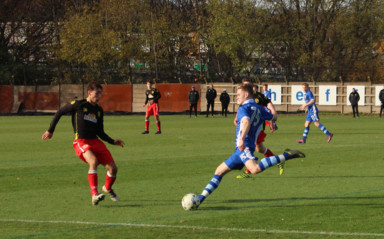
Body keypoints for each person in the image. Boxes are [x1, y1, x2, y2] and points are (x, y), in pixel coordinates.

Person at [197, 84, 305, 207]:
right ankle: (199, 200)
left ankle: (286, 155)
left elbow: (246, 121)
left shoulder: (243, 108)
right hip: (239, 151)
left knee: (255, 169)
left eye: (238, 94)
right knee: (219, 172)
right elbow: (274, 116)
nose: (236, 97)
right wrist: (271, 109)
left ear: (246, 94)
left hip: (244, 147)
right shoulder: (259, 108)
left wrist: (242, 139)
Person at [41, 81, 125, 206]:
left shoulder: (99, 110)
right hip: (81, 141)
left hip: (95, 141)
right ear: (89, 93)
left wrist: (112, 141)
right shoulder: (79, 104)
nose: (99, 96)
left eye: (101, 94)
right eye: (97, 93)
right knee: (93, 161)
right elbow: (60, 112)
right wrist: (50, 130)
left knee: (113, 169)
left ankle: (107, 188)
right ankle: (94, 194)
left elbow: (100, 131)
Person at [236, 83, 283, 178]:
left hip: (256, 127)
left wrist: (272, 119)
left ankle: (249, 171)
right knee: (259, 148)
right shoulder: (245, 99)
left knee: (250, 146)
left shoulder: (259, 96)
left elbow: (269, 104)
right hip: (249, 127)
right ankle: (278, 161)